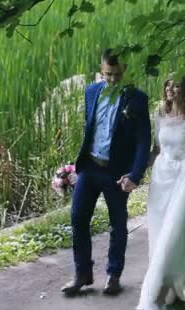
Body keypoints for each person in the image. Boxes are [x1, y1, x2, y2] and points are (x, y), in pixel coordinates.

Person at [61, 48, 151, 296]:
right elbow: (90, 130)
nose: (112, 79)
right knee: (78, 219)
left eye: (117, 74)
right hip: (89, 167)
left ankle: (113, 275)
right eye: (108, 74)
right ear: (102, 70)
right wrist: (71, 168)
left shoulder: (136, 99)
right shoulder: (91, 92)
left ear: (125, 71)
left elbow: (144, 141)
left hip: (117, 172)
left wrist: (135, 175)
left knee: (118, 224)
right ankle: (82, 273)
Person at [137, 74, 185, 310]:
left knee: (177, 233)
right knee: (161, 235)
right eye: (168, 84)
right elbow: (157, 150)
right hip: (161, 182)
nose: (170, 88)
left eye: (177, 85)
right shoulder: (160, 115)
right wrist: (133, 173)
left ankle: (157, 297)